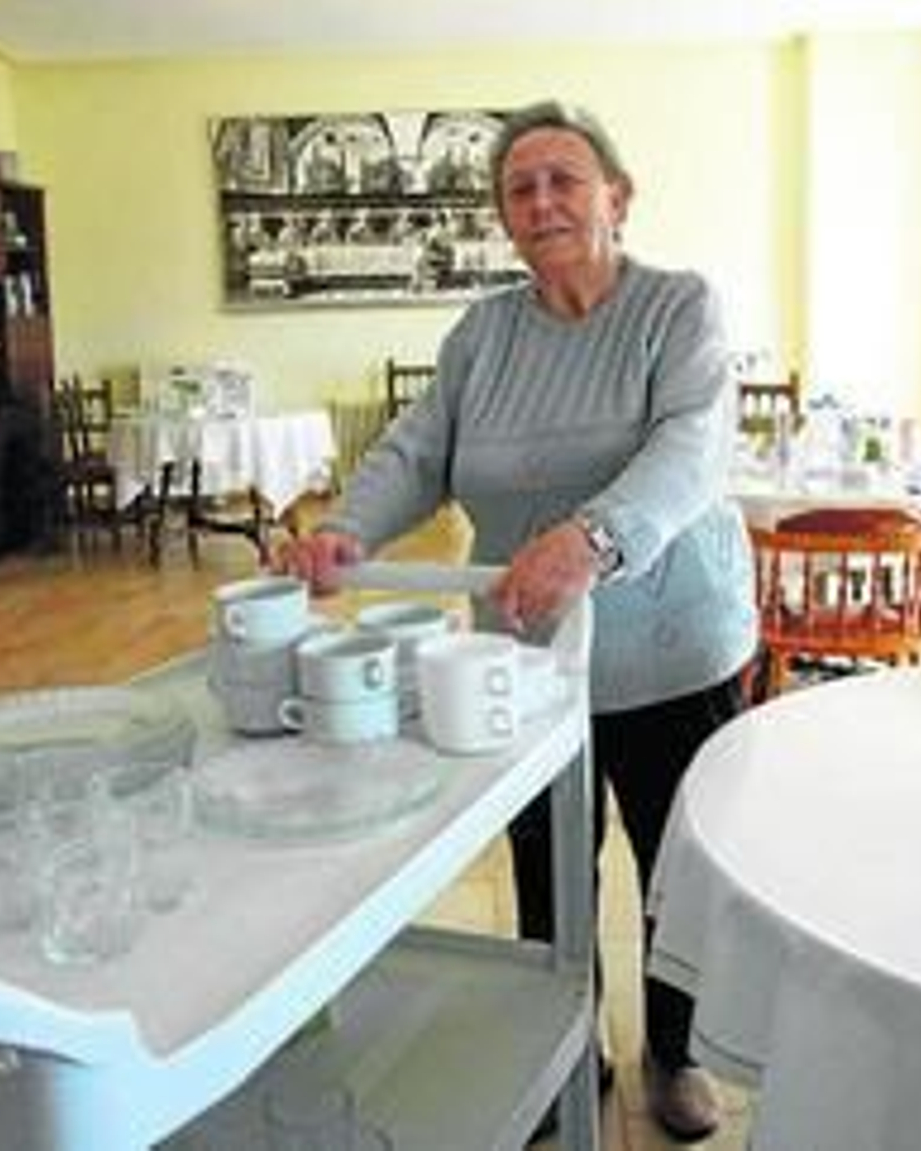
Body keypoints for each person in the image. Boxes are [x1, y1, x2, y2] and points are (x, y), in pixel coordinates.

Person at [279, 101, 756, 1143]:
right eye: (519, 187)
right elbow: (417, 448)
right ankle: (564, 1043)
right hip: (526, 659)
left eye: (563, 179)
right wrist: (348, 527)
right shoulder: (483, 332)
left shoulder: (678, 308)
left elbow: (689, 450)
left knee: (680, 866)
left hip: (674, 645)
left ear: (615, 199)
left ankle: (675, 1049)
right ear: (504, 215)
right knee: (547, 862)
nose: (540, 201)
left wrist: (592, 536)